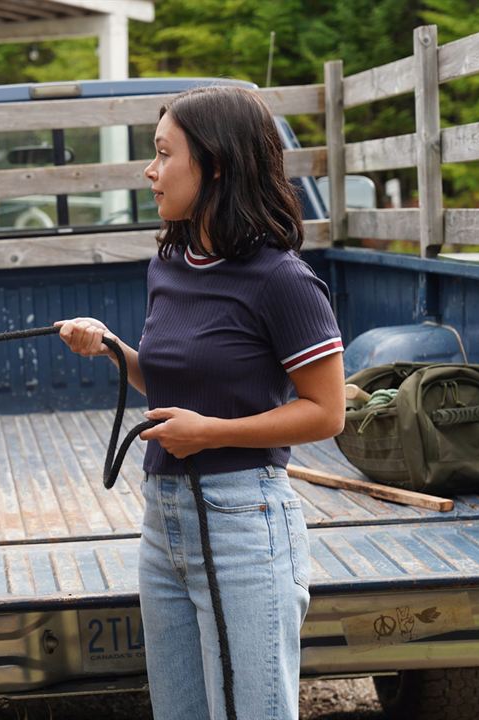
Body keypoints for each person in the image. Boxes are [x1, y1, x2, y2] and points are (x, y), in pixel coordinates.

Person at [58, 85, 345, 720]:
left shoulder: (283, 280)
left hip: (243, 522)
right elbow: (170, 386)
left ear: (213, 165)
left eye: (163, 154)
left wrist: (210, 432)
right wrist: (110, 348)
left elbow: (327, 412)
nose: (149, 170)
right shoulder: (170, 263)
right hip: (163, 523)